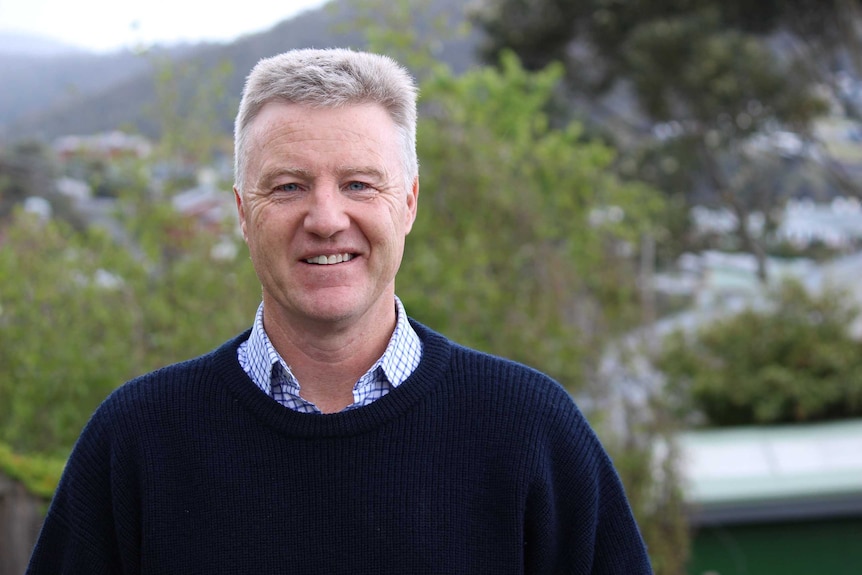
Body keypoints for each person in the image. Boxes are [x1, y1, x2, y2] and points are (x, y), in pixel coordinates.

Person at [27, 48, 652, 574]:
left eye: (359, 184)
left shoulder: (530, 431)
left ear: (407, 205)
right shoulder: (138, 440)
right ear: (244, 215)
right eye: (289, 186)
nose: (327, 220)